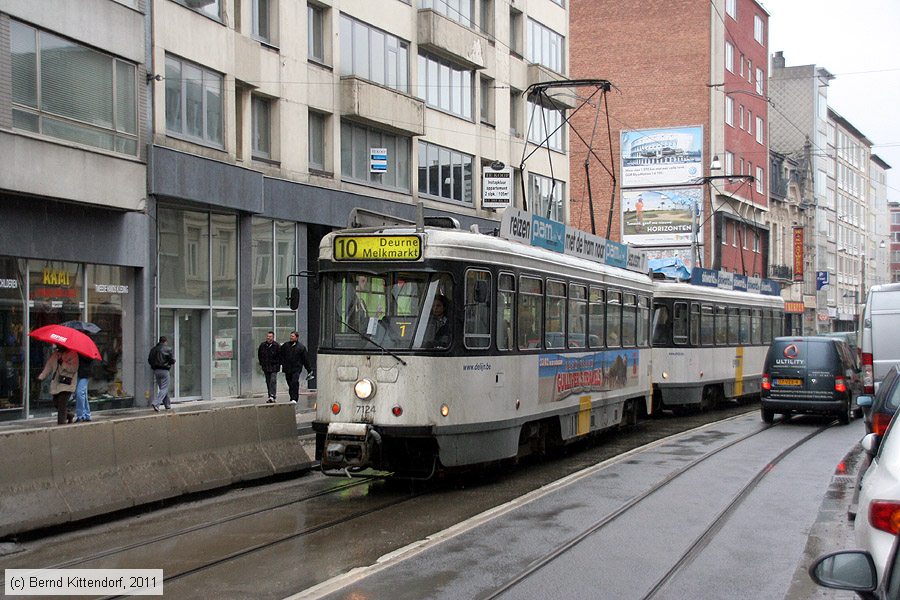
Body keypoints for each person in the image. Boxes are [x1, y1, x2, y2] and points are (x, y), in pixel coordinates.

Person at [38, 345, 78, 425]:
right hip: (57, 383)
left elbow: (74, 368)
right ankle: (69, 415)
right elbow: (49, 365)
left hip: (67, 384)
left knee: (62, 404)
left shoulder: (73, 354)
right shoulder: (55, 354)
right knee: (56, 403)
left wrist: (63, 363)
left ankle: (61, 423)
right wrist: (42, 376)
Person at [280, 331, 313, 404]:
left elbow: (305, 359)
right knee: (289, 383)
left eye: (293, 336)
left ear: (297, 337)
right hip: (287, 368)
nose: (291, 337)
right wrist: (281, 363)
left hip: (296, 369)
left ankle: (294, 398)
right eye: (291, 336)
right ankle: (291, 397)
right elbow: (280, 354)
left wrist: (309, 369)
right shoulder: (286, 345)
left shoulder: (301, 347)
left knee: (294, 382)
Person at [148, 336, 176, 411]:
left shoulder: (153, 349)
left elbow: (149, 360)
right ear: (165, 342)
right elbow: (172, 360)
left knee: (162, 388)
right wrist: (172, 362)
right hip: (164, 370)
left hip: (156, 371)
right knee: (165, 388)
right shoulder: (168, 349)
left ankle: (167, 404)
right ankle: (156, 403)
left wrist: (153, 366)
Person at [257, 331, 281, 403]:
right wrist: (262, 363)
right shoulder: (263, 345)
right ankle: (270, 395)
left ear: (273, 337)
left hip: (274, 366)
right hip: (266, 366)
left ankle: (273, 395)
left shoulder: (276, 346)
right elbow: (260, 355)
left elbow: (280, 356)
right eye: (267, 336)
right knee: (268, 381)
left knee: (273, 380)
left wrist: (278, 364)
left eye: (270, 336)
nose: (268, 338)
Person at [73, 357, 96, 422]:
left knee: (79, 393)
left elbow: (90, 360)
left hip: (85, 373)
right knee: (83, 394)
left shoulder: (86, 353)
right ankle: (87, 415)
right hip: (78, 373)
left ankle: (80, 415)